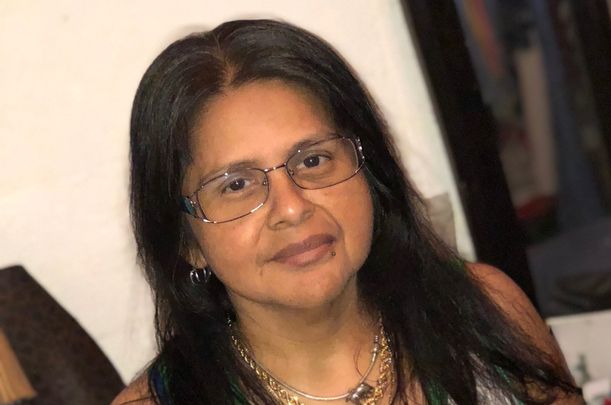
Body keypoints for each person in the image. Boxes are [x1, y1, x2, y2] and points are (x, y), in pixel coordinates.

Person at [113, 19, 582, 405]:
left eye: (313, 160)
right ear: (187, 241)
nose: (292, 207)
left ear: (368, 173)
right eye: (236, 185)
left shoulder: (487, 309)